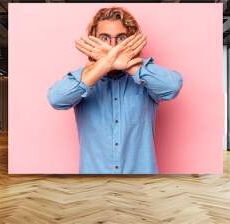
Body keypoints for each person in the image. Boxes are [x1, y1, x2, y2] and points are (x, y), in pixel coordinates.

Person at [47, 7, 183, 174]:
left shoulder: (145, 79)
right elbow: (56, 99)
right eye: (104, 38)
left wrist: (129, 65)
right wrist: (105, 64)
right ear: (93, 41)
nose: (112, 46)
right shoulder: (84, 78)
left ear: (131, 41)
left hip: (141, 188)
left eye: (121, 38)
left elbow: (172, 87)